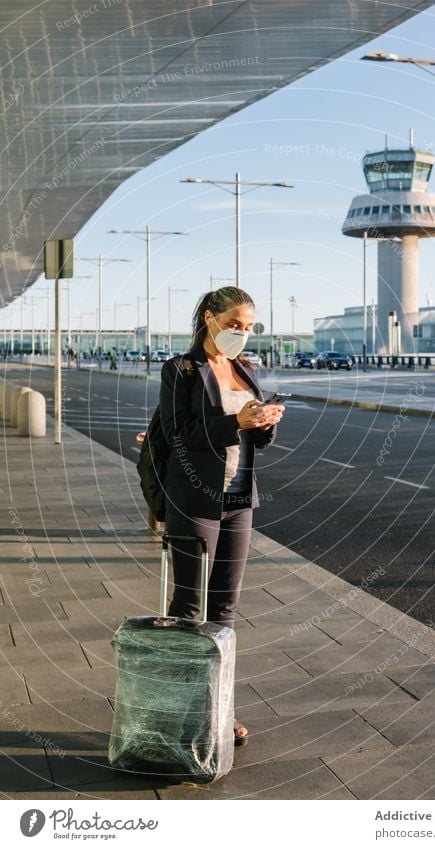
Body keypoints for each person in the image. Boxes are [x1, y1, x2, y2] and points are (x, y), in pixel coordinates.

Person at [159, 286, 284, 746]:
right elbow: (179, 433)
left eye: (249, 328)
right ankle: (180, 709)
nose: (242, 335)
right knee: (190, 610)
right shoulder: (181, 370)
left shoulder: (244, 371)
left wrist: (263, 423)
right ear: (210, 318)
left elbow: (250, 440)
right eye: (235, 325)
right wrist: (237, 422)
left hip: (238, 500)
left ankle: (219, 710)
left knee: (225, 610)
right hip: (194, 500)